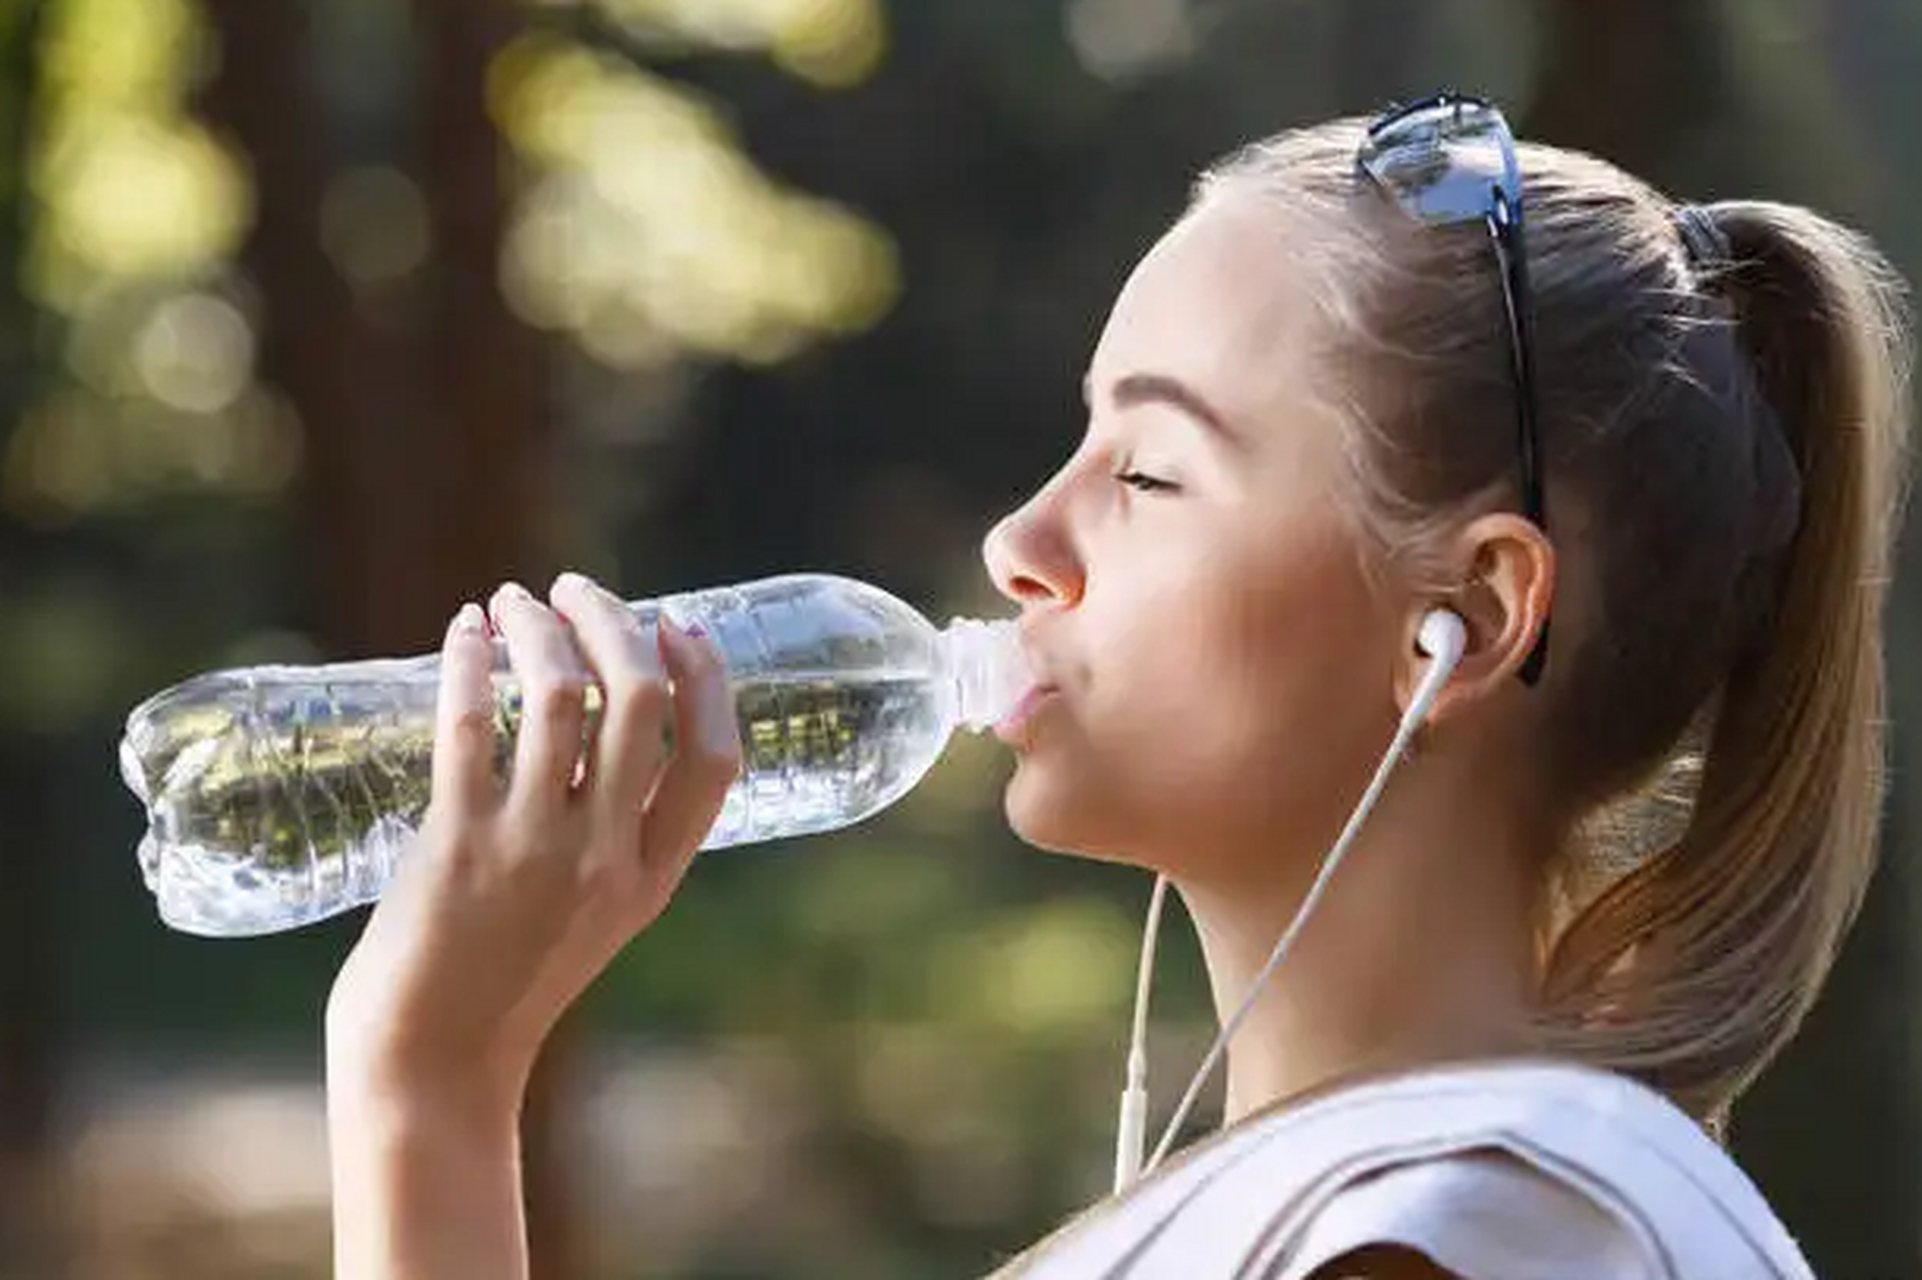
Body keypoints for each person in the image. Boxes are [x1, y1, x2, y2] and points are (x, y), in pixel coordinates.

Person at [323, 95, 1913, 1279]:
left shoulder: (1461, 1225)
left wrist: (432, 1090)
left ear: (1470, 615)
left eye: (1148, 472)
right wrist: (431, 1071)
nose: (1021, 544)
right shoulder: (1384, 1199)